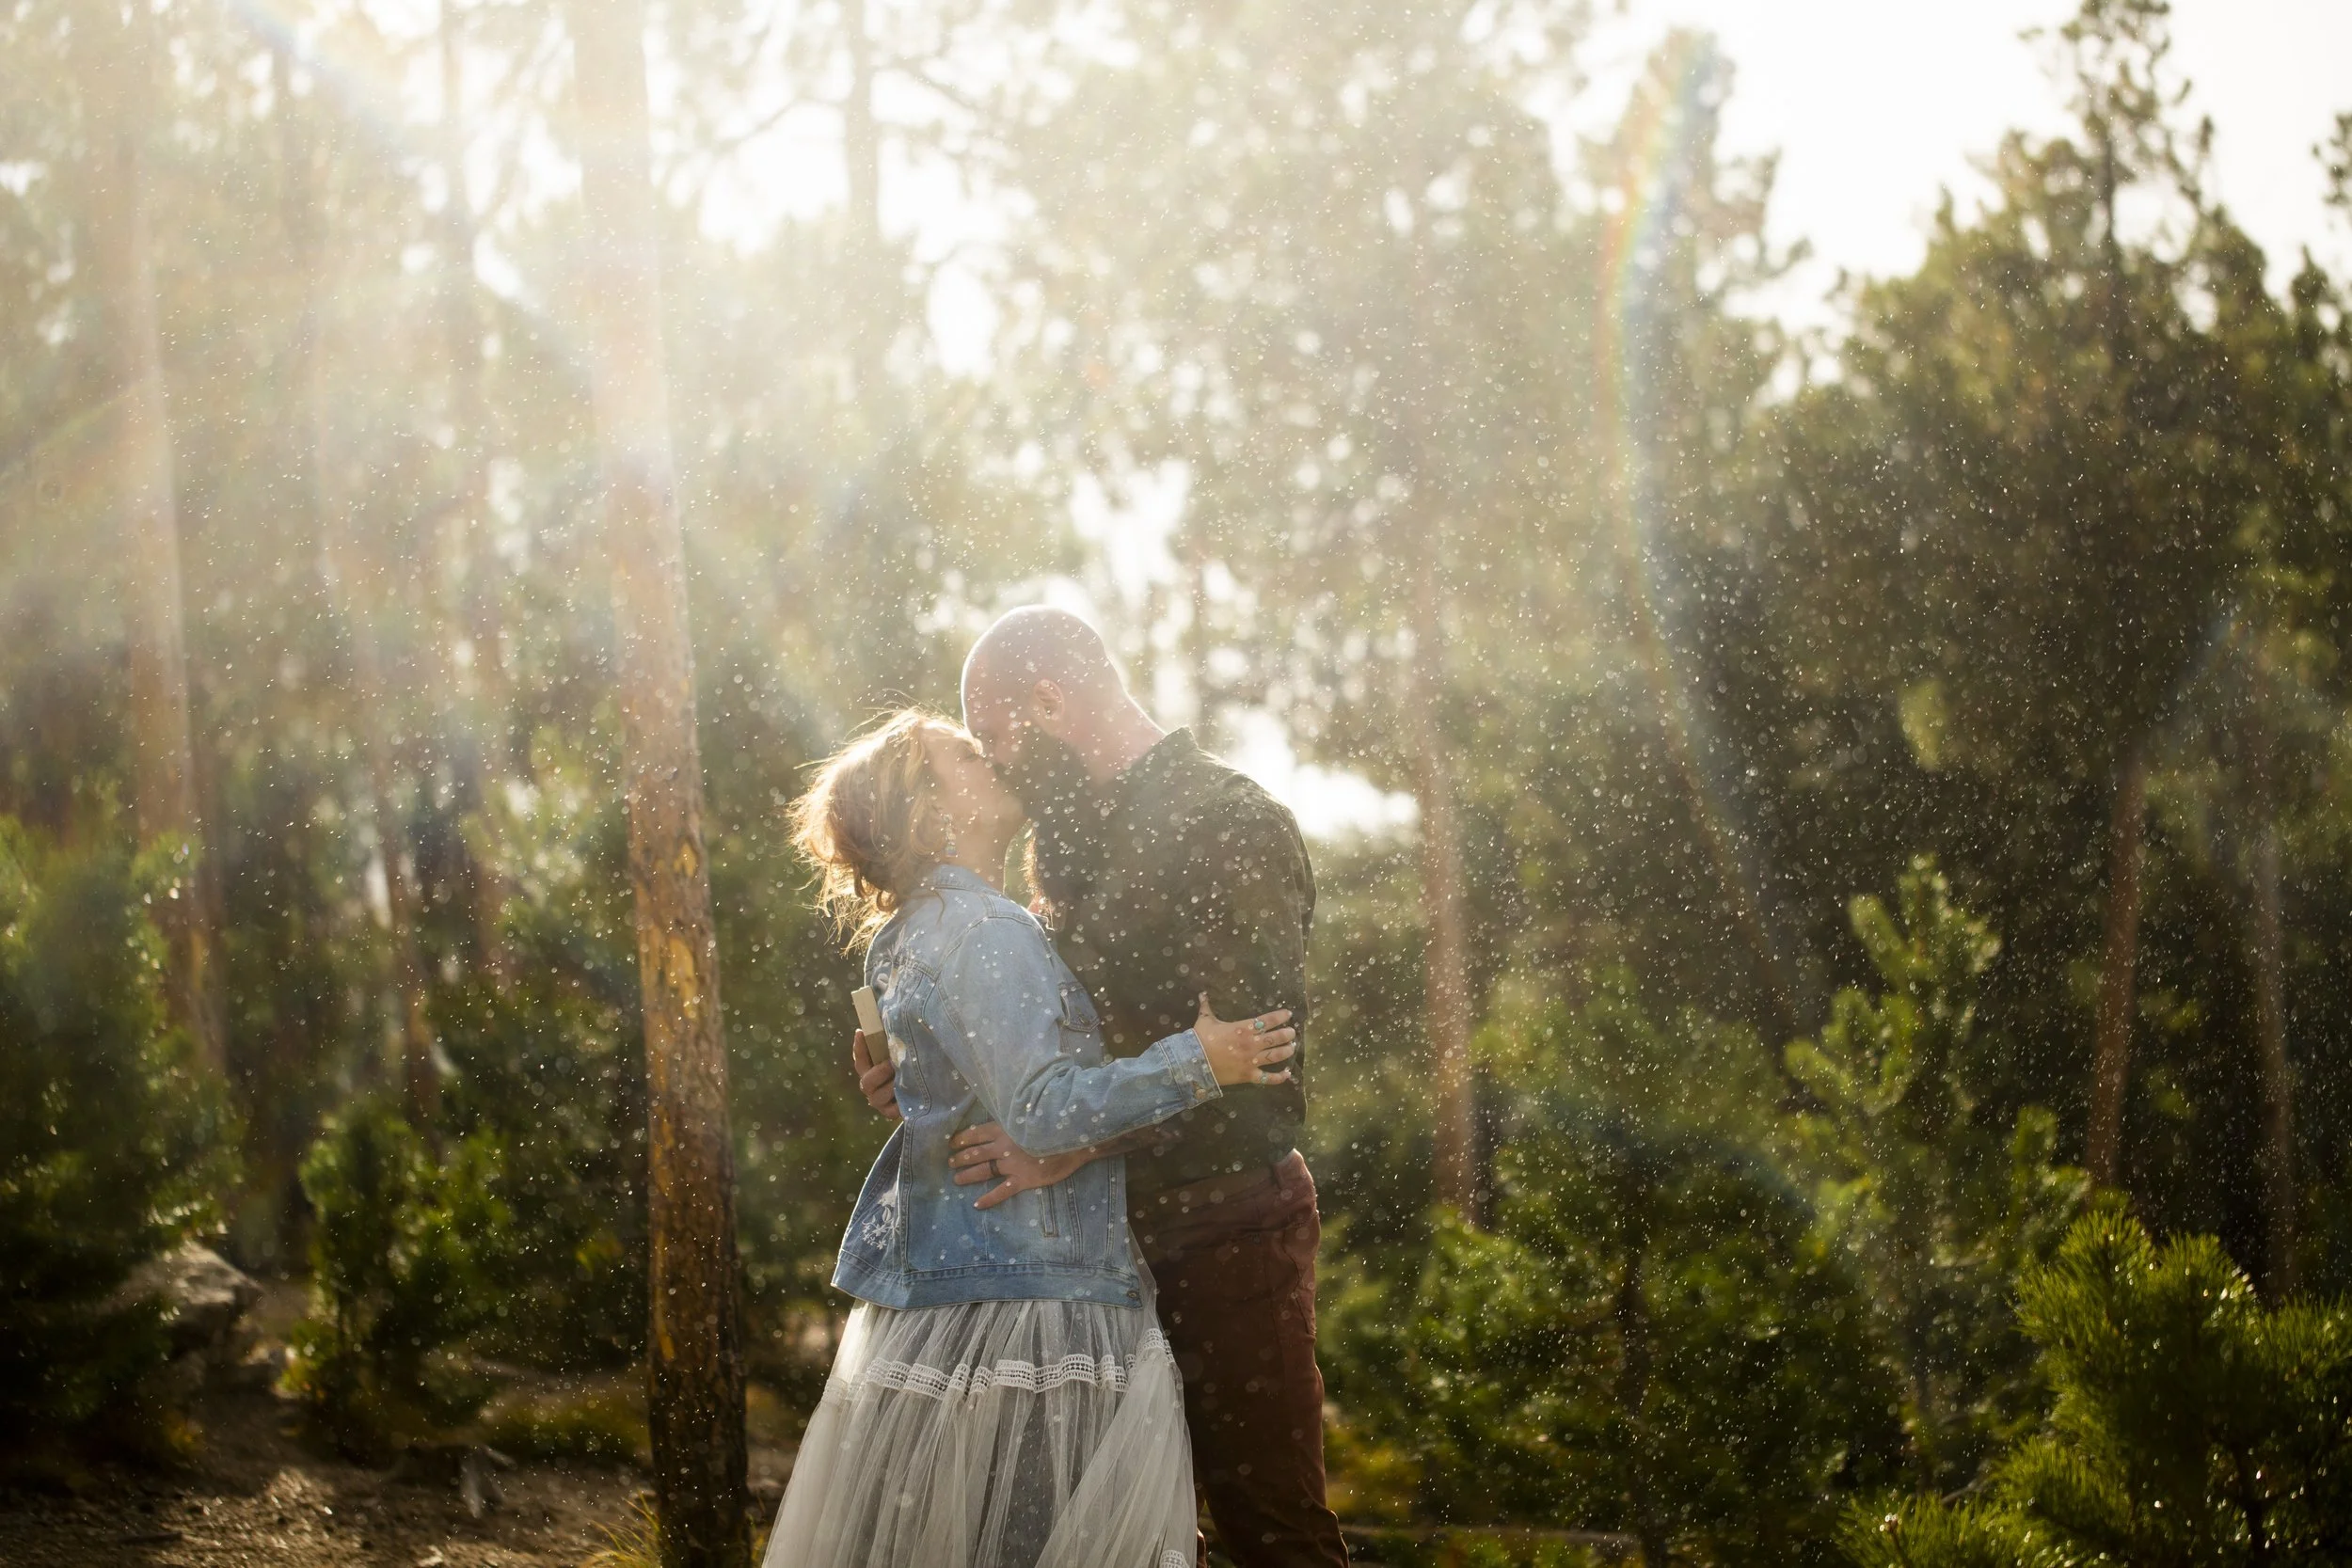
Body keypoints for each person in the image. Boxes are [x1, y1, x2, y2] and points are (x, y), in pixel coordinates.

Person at [854, 607, 1353, 1568]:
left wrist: (1076, 1141)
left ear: (1048, 700)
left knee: (1270, 1524)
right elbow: (1041, 1035)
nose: (993, 764)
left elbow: (1260, 1069)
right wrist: (927, 1069)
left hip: (1225, 1231)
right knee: (1119, 1531)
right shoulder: (1063, 840)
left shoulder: (1233, 821)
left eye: (994, 734)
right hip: (1087, 1248)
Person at [768, 709, 1300, 1568]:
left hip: (948, 1286)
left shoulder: (901, 939)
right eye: (967, 756)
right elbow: (1045, 1110)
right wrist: (1201, 1060)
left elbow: (923, 1081)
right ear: (927, 815)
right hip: (1032, 1294)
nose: (996, 758)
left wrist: (901, 1080)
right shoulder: (988, 930)